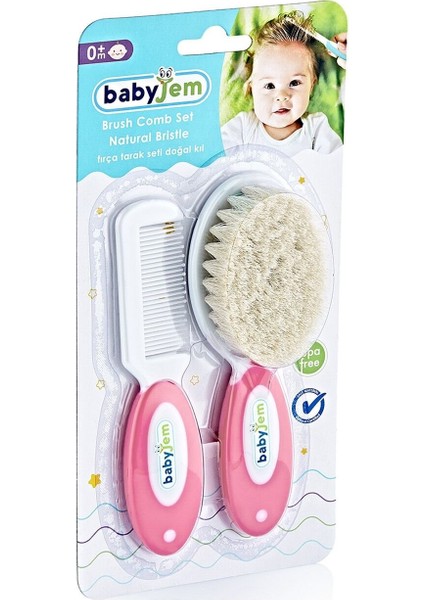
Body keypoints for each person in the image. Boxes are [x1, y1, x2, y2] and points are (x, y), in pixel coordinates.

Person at [221, 13, 343, 155]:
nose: (282, 96)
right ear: (251, 87)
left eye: (294, 83)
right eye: (270, 86)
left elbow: (337, 164)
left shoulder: (316, 129)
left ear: (311, 85)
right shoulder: (242, 128)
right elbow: (213, 160)